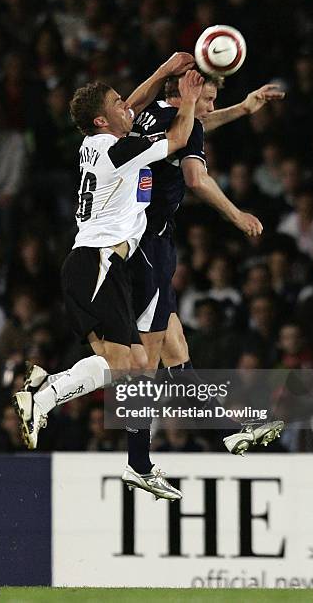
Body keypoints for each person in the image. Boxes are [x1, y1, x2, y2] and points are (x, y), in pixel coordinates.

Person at [14, 53, 204, 502]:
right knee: (131, 369)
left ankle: (135, 462)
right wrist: (189, 101)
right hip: (96, 264)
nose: (129, 107)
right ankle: (47, 395)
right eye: (119, 103)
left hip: (102, 267)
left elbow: (131, 109)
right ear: (102, 119)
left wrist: (159, 73)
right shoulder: (114, 148)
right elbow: (177, 138)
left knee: (138, 368)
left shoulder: (100, 142)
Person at [128, 72, 285, 454]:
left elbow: (197, 123)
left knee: (176, 350)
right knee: (143, 362)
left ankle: (228, 429)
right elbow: (196, 178)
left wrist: (244, 109)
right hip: (147, 247)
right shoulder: (183, 124)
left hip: (137, 241)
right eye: (207, 99)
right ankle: (135, 451)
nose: (211, 108)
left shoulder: (151, 114)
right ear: (187, 95)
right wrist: (236, 214)